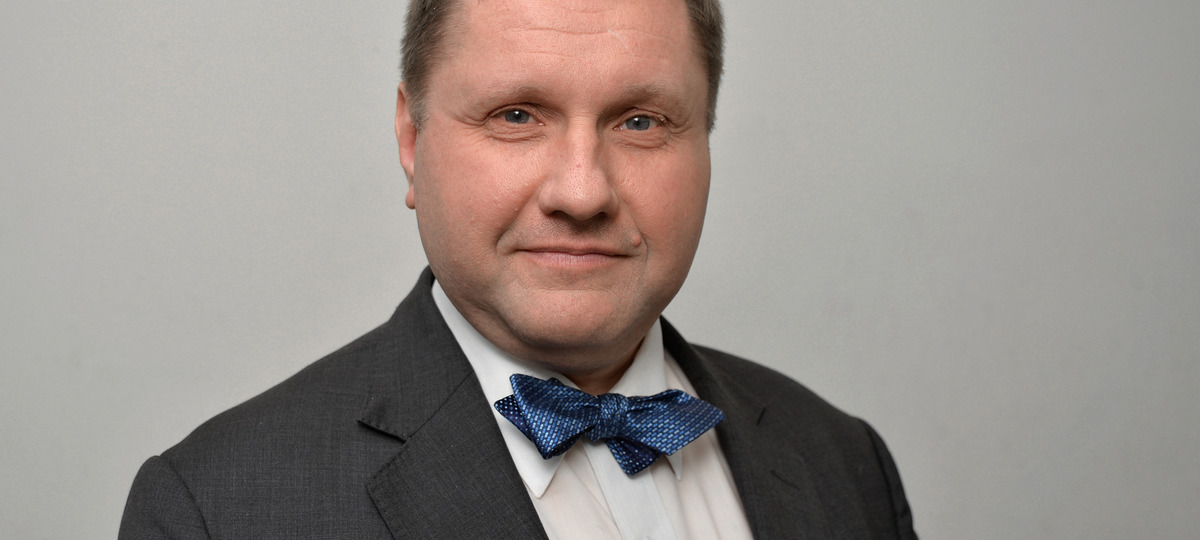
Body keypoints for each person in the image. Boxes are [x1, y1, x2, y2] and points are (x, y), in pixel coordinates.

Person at [119, 0, 917, 537]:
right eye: (517, 115)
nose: (582, 191)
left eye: (641, 122)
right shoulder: (217, 511)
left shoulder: (844, 464)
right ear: (412, 138)